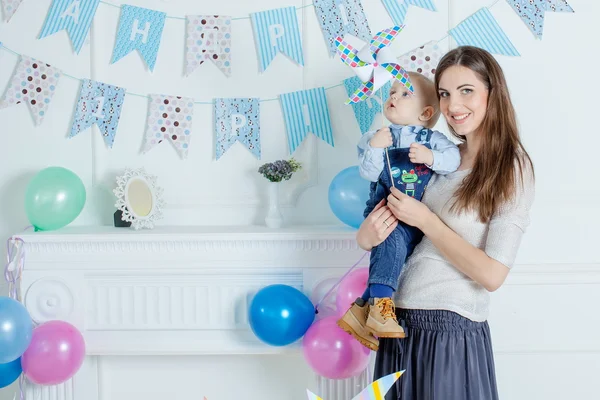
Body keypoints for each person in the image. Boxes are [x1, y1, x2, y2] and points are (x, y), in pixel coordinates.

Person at [356, 46, 535, 399]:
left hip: (450, 330)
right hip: (398, 323)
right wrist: (366, 236)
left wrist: (427, 220)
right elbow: (397, 231)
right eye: (444, 94)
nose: (453, 106)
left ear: (492, 93)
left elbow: (492, 274)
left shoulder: (510, 166)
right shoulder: (439, 158)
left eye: (466, 90)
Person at [337, 72, 460, 351]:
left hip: (415, 214)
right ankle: (381, 311)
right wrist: (374, 148)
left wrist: (431, 157)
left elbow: (452, 161)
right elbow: (369, 173)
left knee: (392, 259)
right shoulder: (377, 135)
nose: (393, 96)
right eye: (392, 91)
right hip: (386, 206)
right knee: (390, 244)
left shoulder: (432, 139)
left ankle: (360, 313)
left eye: (405, 94)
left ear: (426, 112)